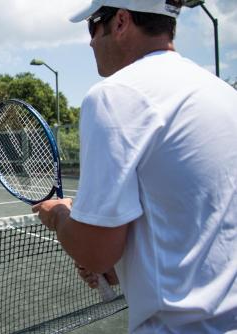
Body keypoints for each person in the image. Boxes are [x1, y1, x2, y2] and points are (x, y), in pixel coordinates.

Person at [32, 0, 237, 332]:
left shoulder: (114, 96)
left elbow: (96, 251)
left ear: (121, 21)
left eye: (92, 26)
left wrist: (57, 214)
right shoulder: (224, 95)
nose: (90, 41)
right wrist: (126, 266)